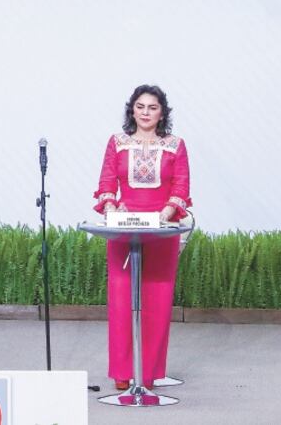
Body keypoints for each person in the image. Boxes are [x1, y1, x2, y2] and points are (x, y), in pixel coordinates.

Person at [93, 84, 191, 391]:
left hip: (162, 228)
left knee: (157, 300)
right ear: (132, 110)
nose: (146, 112)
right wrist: (111, 209)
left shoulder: (176, 145)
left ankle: (148, 373)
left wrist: (163, 216)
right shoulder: (117, 143)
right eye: (140, 106)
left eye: (152, 107)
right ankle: (123, 372)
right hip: (124, 229)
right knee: (121, 299)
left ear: (162, 113)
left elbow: (181, 187)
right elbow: (107, 183)